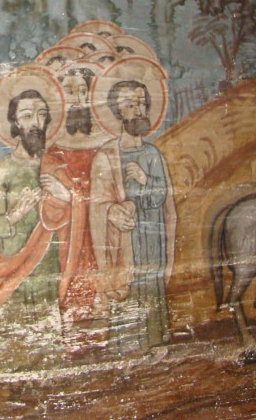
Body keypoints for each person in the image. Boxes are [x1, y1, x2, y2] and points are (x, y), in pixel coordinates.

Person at [0, 76, 69, 371]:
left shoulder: (54, 166)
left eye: (42, 115)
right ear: (15, 123)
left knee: (46, 333)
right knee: (15, 333)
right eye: (27, 115)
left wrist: (65, 196)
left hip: (46, 262)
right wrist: (15, 215)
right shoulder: (3, 169)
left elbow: (73, 215)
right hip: (11, 262)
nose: (36, 123)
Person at [90, 77, 177, 354]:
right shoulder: (106, 156)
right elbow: (97, 203)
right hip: (124, 239)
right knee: (128, 285)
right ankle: (127, 346)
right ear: (118, 112)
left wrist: (144, 179)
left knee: (150, 285)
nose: (138, 110)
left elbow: (162, 197)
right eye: (130, 104)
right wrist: (111, 211)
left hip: (151, 237)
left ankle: (155, 341)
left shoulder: (152, 153)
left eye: (141, 103)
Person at [38, 62, 110, 352]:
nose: (78, 98)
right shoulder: (52, 151)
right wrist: (63, 198)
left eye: (83, 90)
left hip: (103, 235)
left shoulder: (106, 145)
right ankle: (74, 345)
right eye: (70, 91)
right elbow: (48, 206)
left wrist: (72, 196)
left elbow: (112, 191)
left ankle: (104, 343)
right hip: (70, 239)